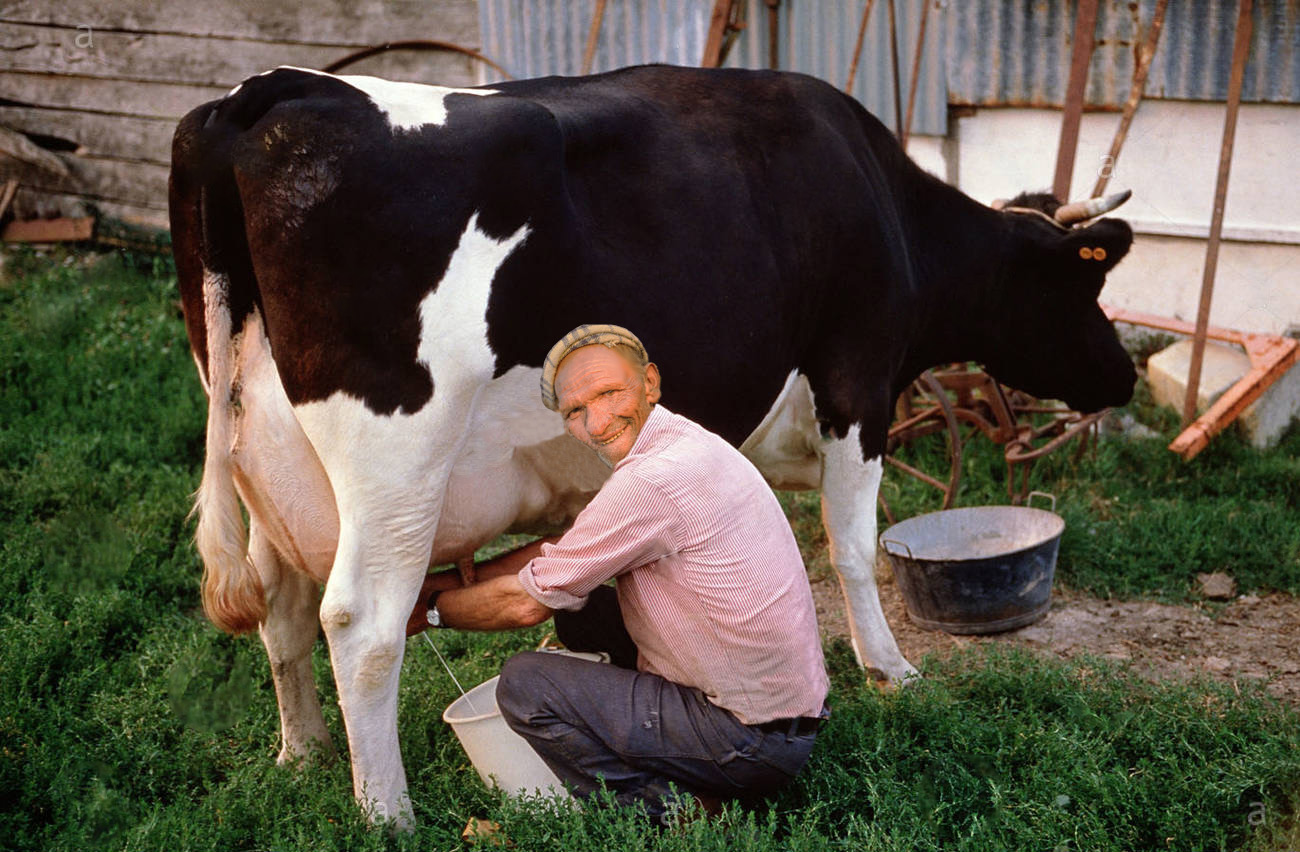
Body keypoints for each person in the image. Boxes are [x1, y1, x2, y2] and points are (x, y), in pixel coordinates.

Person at [408, 324, 829, 825]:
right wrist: (444, 583)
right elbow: (568, 553)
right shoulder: (684, 443)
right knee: (583, 617)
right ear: (568, 425)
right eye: (577, 411)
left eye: (609, 392)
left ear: (650, 382)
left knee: (526, 685)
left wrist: (431, 610)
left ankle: (670, 810)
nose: (598, 420)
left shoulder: (651, 480)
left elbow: (526, 605)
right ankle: (671, 747)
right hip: (785, 715)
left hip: (750, 742)